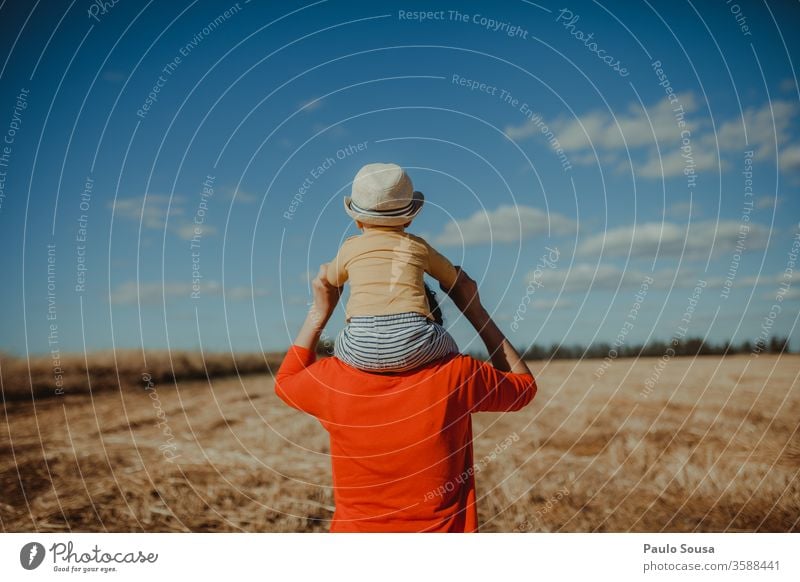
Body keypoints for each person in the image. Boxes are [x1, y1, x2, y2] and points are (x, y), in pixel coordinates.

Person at [275, 264, 537, 532]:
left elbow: (285, 382)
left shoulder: (331, 380)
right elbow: (523, 387)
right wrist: (474, 309)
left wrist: (320, 311)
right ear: (430, 318)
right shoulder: (456, 374)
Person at [325, 162, 460, 372]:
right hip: (415, 344)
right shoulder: (418, 246)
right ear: (408, 221)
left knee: (341, 342)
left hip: (360, 348)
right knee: (451, 349)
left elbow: (332, 280)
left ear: (358, 221)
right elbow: (451, 278)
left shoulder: (349, 248)